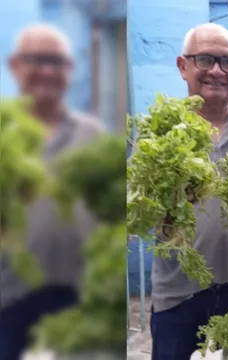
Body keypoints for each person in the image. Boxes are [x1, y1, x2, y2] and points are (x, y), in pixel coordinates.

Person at [149, 23, 228, 360]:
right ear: (182, 66)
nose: (217, 71)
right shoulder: (157, 134)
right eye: (205, 60)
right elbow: (137, 210)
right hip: (178, 298)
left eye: (227, 62)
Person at [0, 24, 103, 360]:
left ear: (69, 70)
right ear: (15, 65)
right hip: (8, 297)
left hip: (80, 296)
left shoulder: (92, 134)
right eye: (36, 60)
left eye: (56, 62)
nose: (47, 70)